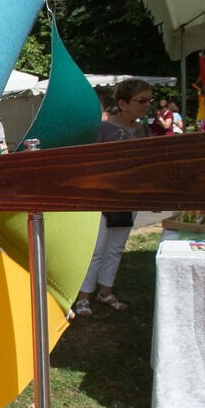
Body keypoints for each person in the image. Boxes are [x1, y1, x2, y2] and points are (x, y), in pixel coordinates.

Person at [73, 79, 153, 318]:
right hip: (102, 198)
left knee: (116, 247)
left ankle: (105, 291)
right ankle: (84, 297)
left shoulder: (145, 130)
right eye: (142, 100)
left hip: (130, 198)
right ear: (123, 103)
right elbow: (89, 164)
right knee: (96, 249)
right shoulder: (103, 130)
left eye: (150, 100)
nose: (147, 105)